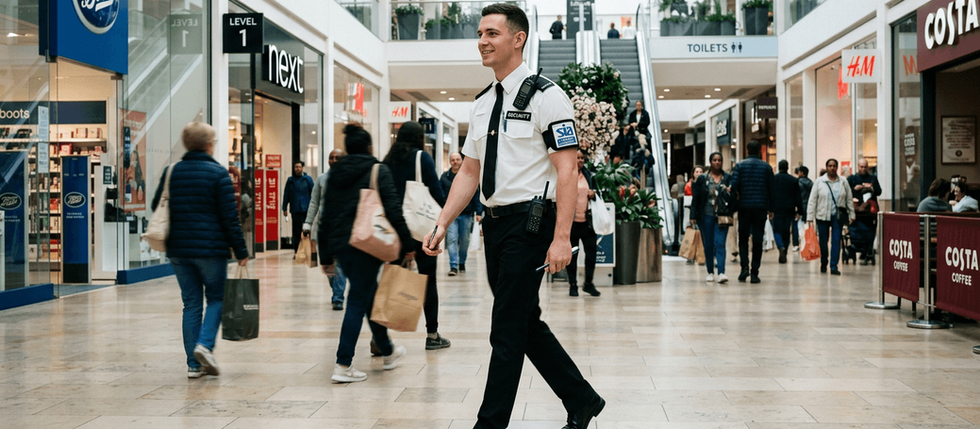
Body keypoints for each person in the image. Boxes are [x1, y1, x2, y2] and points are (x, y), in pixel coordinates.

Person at [422, 5, 604, 429]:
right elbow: (470, 170)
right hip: (494, 225)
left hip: (530, 224)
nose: (482, 41)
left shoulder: (547, 96)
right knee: (523, 321)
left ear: (518, 38)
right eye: (480, 33)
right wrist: (443, 221)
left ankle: (490, 424)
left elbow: (567, 168)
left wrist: (562, 238)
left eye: (492, 33)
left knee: (504, 329)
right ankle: (582, 399)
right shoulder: (483, 103)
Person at [150, 122, 249, 379]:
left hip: (178, 250)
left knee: (191, 303)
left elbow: (155, 205)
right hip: (211, 250)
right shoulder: (218, 174)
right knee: (217, 298)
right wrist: (241, 250)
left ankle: (194, 365)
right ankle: (204, 345)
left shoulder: (172, 171)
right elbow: (230, 218)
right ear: (208, 145)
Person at [318, 124, 414, 384]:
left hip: (341, 245)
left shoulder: (335, 171)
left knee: (366, 295)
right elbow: (393, 209)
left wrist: (325, 255)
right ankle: (343, 363)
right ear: (370, 147)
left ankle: (388, 351)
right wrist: (407, 242)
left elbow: (325, 216)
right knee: (358, 300)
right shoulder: (377, 169)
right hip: (367, 243)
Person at [383, 121, 451, 350]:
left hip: (396, 228)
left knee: (391, 279)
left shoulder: (388, 160)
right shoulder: (422, 158)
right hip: (421, 229)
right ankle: (432, 336)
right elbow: (437, 192)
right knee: (428, 281)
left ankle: (379, 337)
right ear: (419, 137)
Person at [303, 148, 348, 311]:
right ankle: (336, 286)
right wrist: (307, 223)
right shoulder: (321, 179)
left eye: (338, 157)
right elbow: (314, 202)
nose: (334, 160)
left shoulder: (349, 179)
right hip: (324, 230)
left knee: (340, 264)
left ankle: (338, 297)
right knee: (328, 265)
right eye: (331, 157)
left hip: (343, 230)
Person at [731, 140, 773, 284]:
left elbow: (734, 186)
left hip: (744, 208)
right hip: (760, 208)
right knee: (757, 240)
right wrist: (771, 208)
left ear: (747, 150)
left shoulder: (740, 166)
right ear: (760, 150)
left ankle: (744, 268)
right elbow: (771, 189)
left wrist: (733, 205)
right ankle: (755, 272)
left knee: (743, 239)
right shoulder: (766, 167)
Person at [806, 158, 856, 275]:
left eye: (834, 166)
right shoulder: (819, 182)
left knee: (836, 240)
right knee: (823, 241)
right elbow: (812, 200)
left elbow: (849, 198)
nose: (832, 168)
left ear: (837, 168)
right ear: (826, 167)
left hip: (837, 216)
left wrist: (852, 214)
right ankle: (824, 262)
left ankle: (833, 266)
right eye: (830, 166)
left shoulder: (843, 182)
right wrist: (810, 217)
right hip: (822, 215)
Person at [690, 152, 732, 283]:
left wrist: (730, 194)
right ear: (710, 162)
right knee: (708, 244)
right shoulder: (703, 178)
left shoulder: (727, 178)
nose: (717, 162)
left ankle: (721, 272)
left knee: (720, 243)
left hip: (722, 215)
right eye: (714, 160)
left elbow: (735, 196)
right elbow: (696, 198)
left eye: (719, 160)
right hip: (706, 215)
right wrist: (693, 215)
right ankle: (710, 271)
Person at [440, 152, 483, 276]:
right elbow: (440, 195)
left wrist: (478, 211)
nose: (455, 162)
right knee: (452, 240)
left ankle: (462, 262)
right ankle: (453, 265)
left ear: (461, 161)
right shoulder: (444, 177)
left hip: (466, 214)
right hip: (451, 216)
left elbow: (476, 195)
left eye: (457, 159)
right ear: (449, 162)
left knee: (464, 241)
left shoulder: (470, 176)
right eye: (453, 160)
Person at [568, 149, 601, 297]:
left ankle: (588, 283)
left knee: (591, 255)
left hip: (587, 223)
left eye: (582, 158)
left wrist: (594, 194)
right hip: (572, 223)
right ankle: (573, 285)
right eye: (577, 158)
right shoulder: (567, 175)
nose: (580, 160)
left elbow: (599, 194)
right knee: (572, 257)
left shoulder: (589, 176)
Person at [846, 158, 882, 265]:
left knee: (870, 231)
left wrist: (871, 188)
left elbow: (879, 191)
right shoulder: (852, 178)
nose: (863, 169)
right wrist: (854, 189)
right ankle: (856, 248)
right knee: (856, 230)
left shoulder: (872, 178)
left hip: (869, 212)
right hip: (856, 210)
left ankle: (868, 250)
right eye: (861, 167)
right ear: (858, 167)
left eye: (865, 167)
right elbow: (846, 192)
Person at [771, 160, 802, 264]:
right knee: (786, 230)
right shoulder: (793, 180)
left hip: (776, 209)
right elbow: (798, 197)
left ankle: (780, 246)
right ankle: (785, 247)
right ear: (788, 167)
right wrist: (799, 210)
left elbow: (770, 194)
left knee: (776, 230)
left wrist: (769, 208)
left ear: (779, 167)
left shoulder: (774, 179)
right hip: (790, 209)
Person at [282, 161, 315, 253]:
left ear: (302, 168)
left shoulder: (308, 179)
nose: (297, 169)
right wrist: (284, 208)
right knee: (296, 231)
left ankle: (307, 250)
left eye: (299, 167)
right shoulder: (290, 180)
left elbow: (314, 194)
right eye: (296, 167)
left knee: (306, 230)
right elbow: (286, 194)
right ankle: (296, 251)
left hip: (306, 210)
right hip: (295, 209)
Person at [792, 166, 813, 251]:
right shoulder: (811, 183)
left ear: (802, 173)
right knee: (807, 225)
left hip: (799, 207)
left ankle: (796, 244)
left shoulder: (797, 183)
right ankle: (807, 242)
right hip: (808, 207)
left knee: (795, 225)